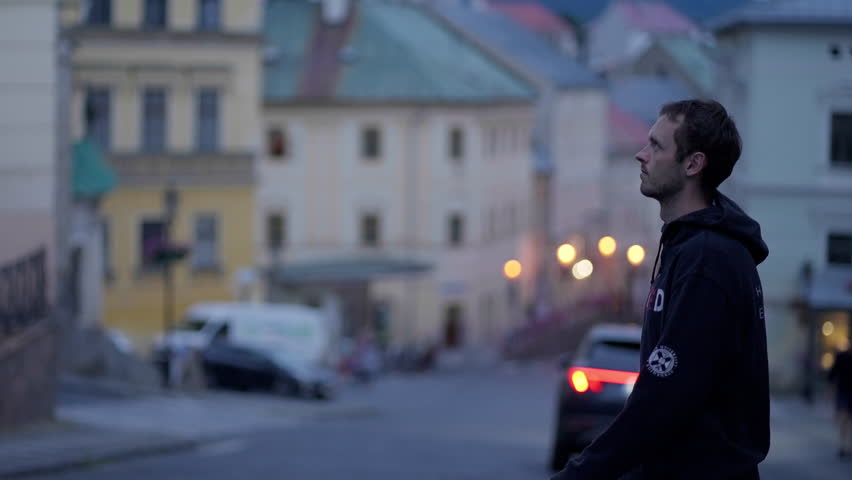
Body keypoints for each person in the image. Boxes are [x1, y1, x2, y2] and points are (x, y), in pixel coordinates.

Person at [552, 100, 770, 479]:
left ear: (692, 164)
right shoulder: (691, 247)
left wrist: (579, 474)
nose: (641, 154)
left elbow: (666, 397)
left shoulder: (707, 259)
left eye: (656, 146)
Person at [828, 348, 852, 457]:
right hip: (843, 391)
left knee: (843, 420)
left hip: (843, 391)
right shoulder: (842, 356)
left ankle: (844, 445)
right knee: (844, 419)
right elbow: (833, 374)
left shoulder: (842, 356)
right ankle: (844, 445)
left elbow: (832, 375)